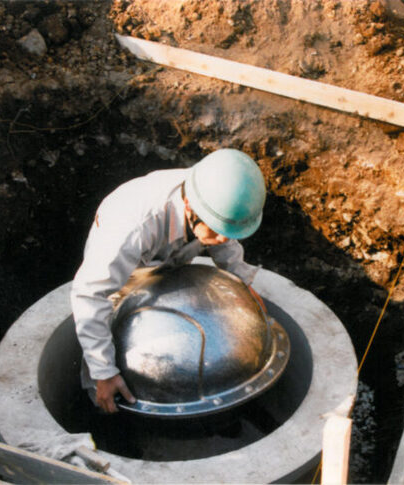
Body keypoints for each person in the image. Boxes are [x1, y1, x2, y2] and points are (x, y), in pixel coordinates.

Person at [70, 148, 266, 414]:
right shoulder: (131, 230)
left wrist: (244, 283)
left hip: (167, 263)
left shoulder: (211, 195)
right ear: (189, 207)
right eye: (217, 230)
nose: (222, 239)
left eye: (228, 231)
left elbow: (226, 242)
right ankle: (108, 418)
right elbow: (89, 295)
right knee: (117, 362)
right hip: (127, 277)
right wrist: (103, 372)